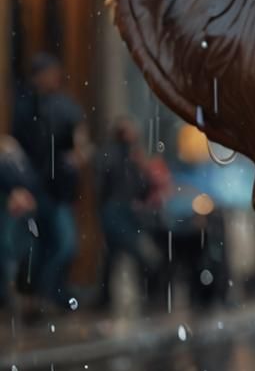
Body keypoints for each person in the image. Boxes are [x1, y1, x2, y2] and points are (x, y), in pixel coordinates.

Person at [12, 53, 89, 309]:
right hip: (34, 187)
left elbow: (80, 140)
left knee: (63, 244)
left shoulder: (64, 106)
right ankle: (41, 295)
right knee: (35, 245)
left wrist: (77, 156)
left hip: (56, 189)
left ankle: (49, 293)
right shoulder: (24, 106)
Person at [95, 117, 157, 310]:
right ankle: (146, 295)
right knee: (139, 253)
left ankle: (105, 299)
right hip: (116, 210)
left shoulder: (131, 156)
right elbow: (105, 185)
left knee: (112, 257)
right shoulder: (112, 155)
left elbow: (143, 187)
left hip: (125, 210)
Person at [0, 135, 38, 310]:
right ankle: (7, 294)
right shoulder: (6, 163)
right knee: (8, 252)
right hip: (9, 212)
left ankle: (20, 292)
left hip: (23, 213)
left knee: (24, 250)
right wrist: (12, 197)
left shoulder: (22, 162)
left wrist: (26, 198)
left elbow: (31, 183)